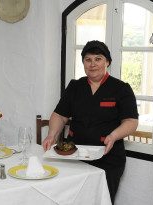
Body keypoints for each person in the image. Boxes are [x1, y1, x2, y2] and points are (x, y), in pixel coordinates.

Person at [42, 40, 138, 204]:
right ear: (83, 63)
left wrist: (114, 136)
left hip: (108, 159)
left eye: (98, 59)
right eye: (88, 59)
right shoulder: (75, 86)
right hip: (74, 155)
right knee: (72, 199)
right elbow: (60, 115)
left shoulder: (121, 89)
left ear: (107, 61)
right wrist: (52, 135)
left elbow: (131, 121)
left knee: (100, 200)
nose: (93, 64)